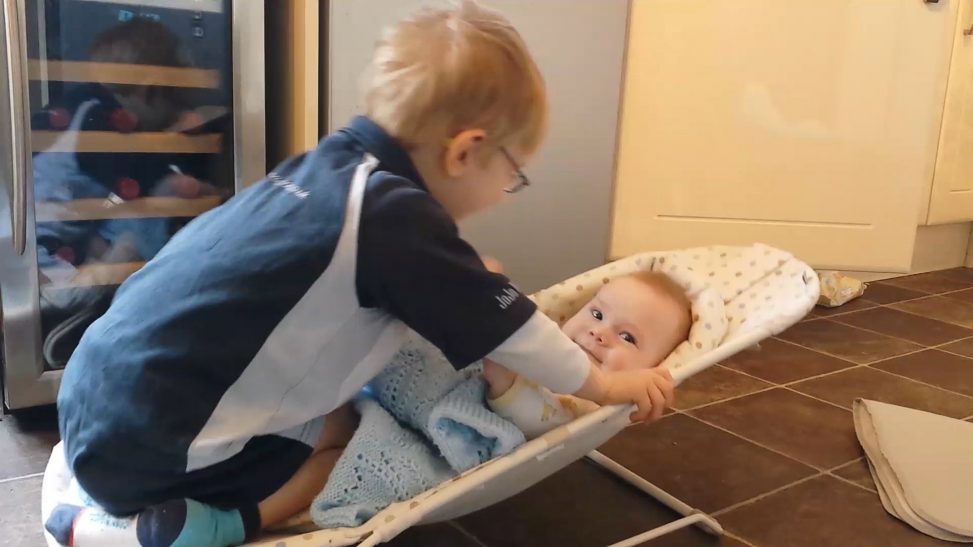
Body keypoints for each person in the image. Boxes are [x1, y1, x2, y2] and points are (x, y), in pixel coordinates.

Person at [47, 2, 674, 546]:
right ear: (465, 152)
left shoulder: (326, 171)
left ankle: (112, 502)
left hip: (95, 399)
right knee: (341, 438)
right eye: (514, 174)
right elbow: (509, 327)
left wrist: (464, 280)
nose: (507, 192)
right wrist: (603, 384)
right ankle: (213, 526)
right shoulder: (397, 219)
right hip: (152, 451)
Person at [483, 270, 690, 439]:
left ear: (652, 369)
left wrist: (504, 382)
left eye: (627, 337)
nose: (598, 333)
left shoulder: (591, 405)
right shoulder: (543, 340)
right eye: (597, 314)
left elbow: (544, 426)